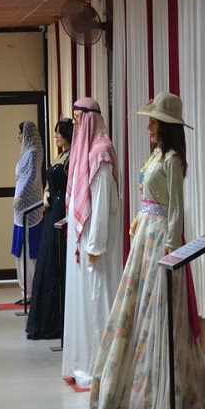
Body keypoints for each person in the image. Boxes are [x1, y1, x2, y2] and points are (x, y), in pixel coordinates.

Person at [89, 92, 205, 409]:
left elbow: (175, 208)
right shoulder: (157, 154)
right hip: (146, 232)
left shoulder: (172, 159)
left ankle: (165, 392)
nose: (149, 128)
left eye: (154, 122)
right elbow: (150, 195)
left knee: (158, 310)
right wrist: (139, 217)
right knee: (136, 303)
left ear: (166, 126)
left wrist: (172, 249)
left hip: (160, 238)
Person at [61, 98, 122, 389]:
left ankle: (99, 366)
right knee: (83, 302)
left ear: (89, 119)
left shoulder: (100, 152)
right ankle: (82, 362)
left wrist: (95, 245)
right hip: (81, 242)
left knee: (97, 301)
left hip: (94, 246)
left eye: (77, 121)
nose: (75, 127)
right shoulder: (84, 152)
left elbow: (100, 205)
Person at [26, 117, 74, 340]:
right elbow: (50, 183)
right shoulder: (60, 155)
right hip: (52, 209)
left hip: (62, 210)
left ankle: (55, 320)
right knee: (47, 260)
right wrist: (46, 193)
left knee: (57, 260)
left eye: (59, 134)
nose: (55, 137)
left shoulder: (72, 157)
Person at [11, 120, 44, 306]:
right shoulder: (25, 153)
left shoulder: (33, 153)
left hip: (30, 210)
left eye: (20, 133)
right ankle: (25, 291)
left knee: (30, 252)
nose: (18, 137)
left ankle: (31, 292)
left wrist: (21, 196)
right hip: (20, 210)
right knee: (20, 251)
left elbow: (31, 178)